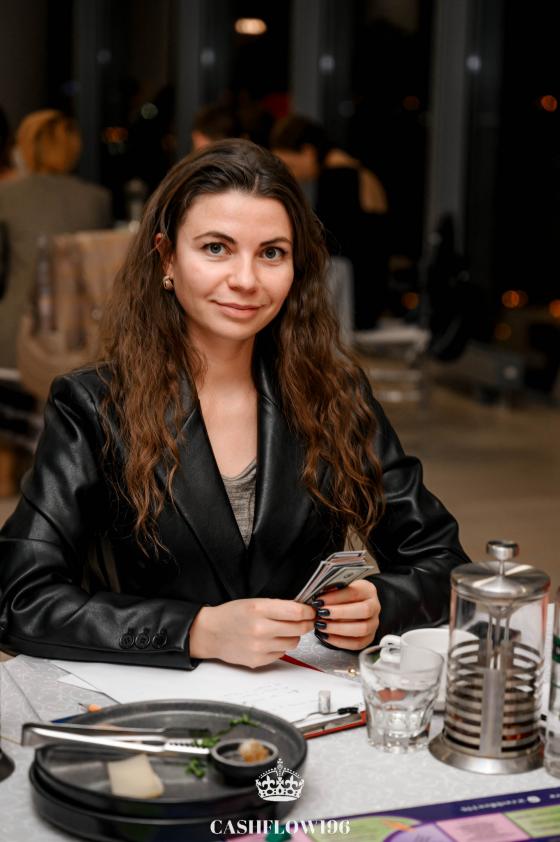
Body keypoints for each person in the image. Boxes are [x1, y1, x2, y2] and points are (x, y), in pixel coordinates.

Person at [0, 140, 469, 670]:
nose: (246, 280)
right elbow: (20, 598)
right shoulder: (94, 404)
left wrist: (384, 603)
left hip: (295, 705)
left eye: (271, 253)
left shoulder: (334, 395)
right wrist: (195, 631)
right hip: (154, 706)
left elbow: (445, 565)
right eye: (216, 248)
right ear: (166, 257)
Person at [0, 109, 112, 370]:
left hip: (14, 337)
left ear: (25, 147)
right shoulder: (97, 199)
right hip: (78, 338)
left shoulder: (6, 196)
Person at [271, 114, 389, 329]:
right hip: (370, 298)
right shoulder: (359, 171)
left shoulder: (337, 177)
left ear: (308, 152)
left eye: (291, 164)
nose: (291, 174)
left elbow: (328, 245)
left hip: (351, 304)